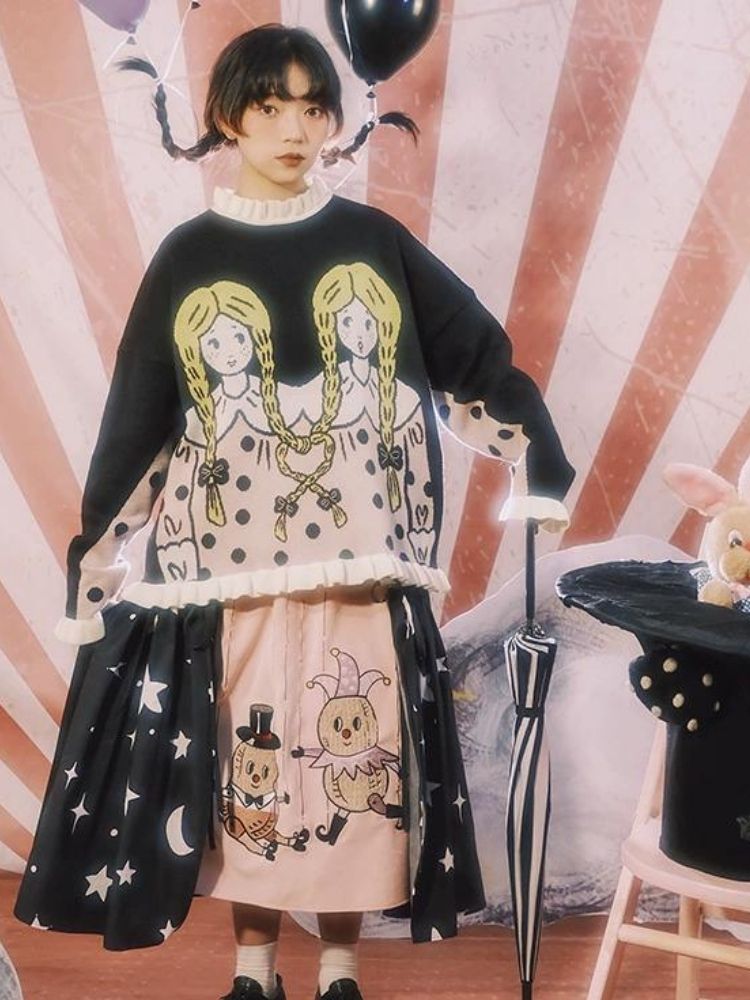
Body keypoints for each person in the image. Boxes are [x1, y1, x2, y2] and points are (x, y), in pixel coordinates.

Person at [14, 23, 575, 1000]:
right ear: (229, 117)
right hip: (233, 573)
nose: (293, 129)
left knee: (357, 761)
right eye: (270, 106)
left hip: (364, 562)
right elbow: (138, 419)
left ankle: (342, 968)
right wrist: (97, 558)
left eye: (313, 108)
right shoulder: (190, 256)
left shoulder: (373, 243)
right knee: (253, 768)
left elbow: (474, 355)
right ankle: (254, 968)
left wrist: (540, 460)